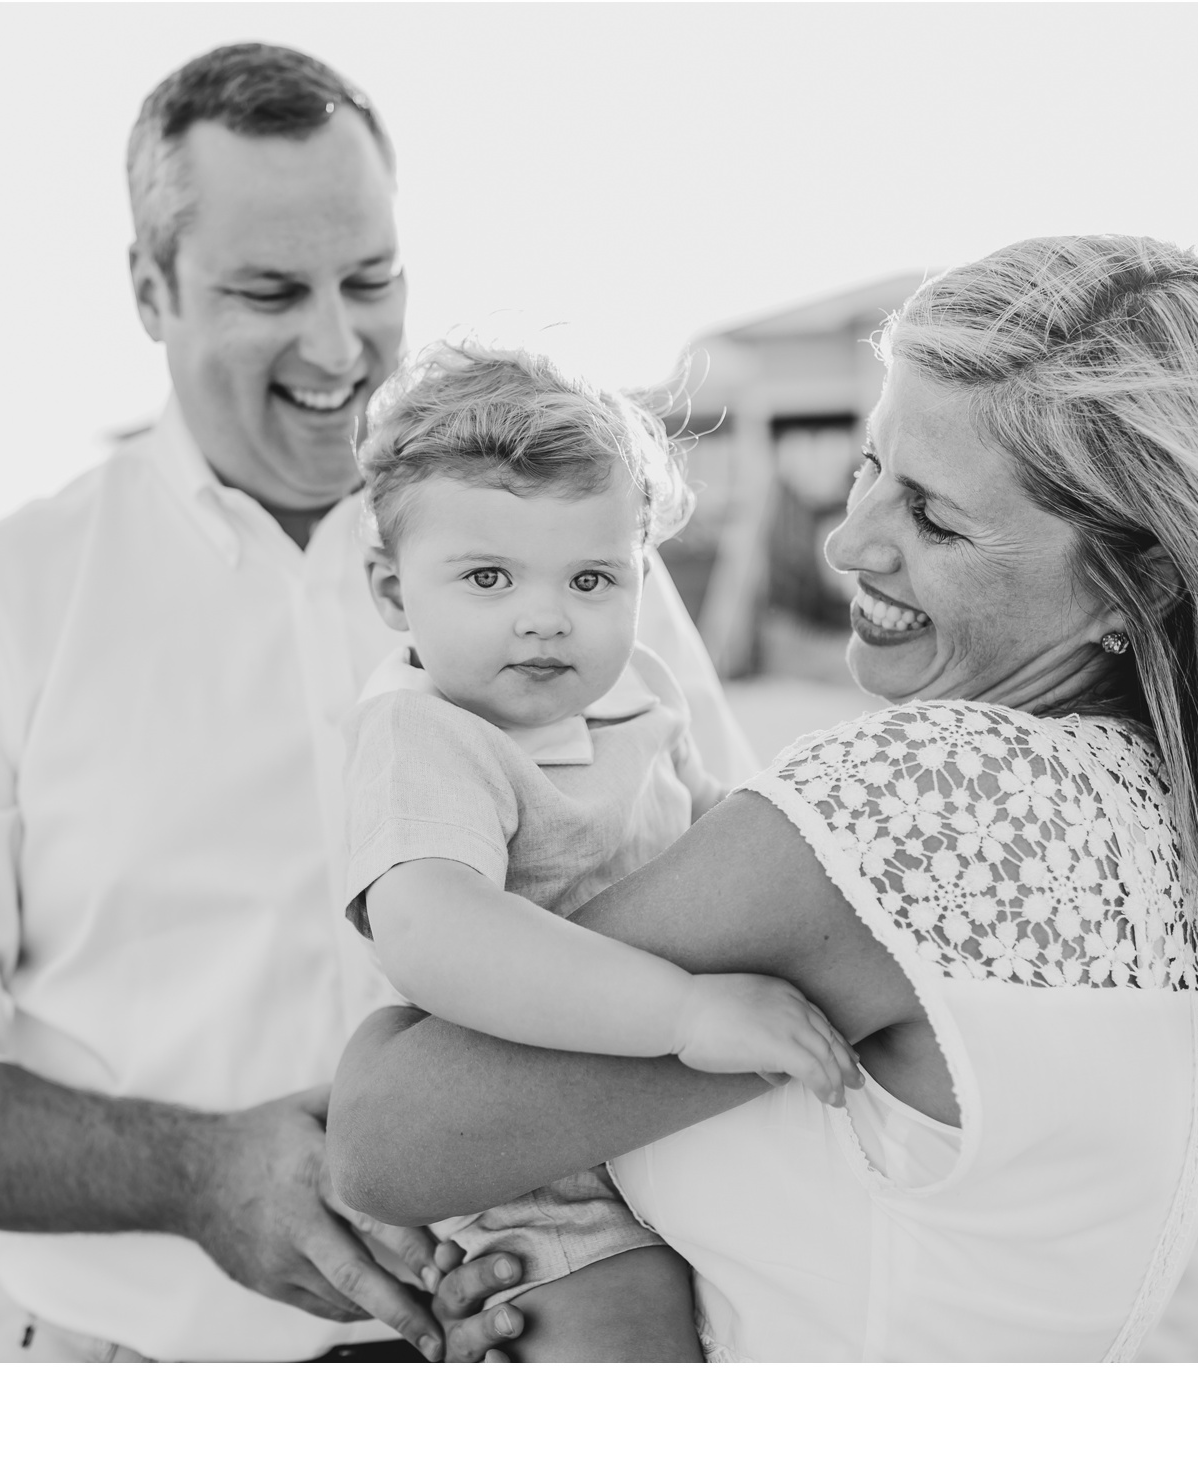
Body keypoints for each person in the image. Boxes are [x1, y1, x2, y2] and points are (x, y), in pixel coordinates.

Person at [0, 42, 751, 1363]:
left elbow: (724, 878)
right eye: (270, 291)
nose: (341, 347)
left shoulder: (568, 572)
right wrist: (197, 1173)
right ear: (148, 286)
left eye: (374, 279)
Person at [329, 234, 1198, 1360]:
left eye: (933, 515)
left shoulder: (932, 806)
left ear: (1141, 577)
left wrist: (382, 1040)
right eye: (870, 467)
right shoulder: (1149, 817)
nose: (845, 539)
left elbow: (382, 1139)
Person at [340, 343, 860, 1359]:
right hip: (543, 1170)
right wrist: (683, 1010)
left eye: (591, 578)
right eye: (486, 577)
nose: (545, 616)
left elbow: (719, 832)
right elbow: (430, 928)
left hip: (677, 1120)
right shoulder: (424, 732)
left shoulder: (637, 693)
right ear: (393, 593)